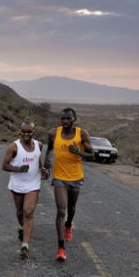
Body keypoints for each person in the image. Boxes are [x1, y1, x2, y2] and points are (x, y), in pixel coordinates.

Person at [43, 108, 94, 261]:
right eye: (62, 118)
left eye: (68, 118)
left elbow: (92, 156)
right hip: (59, 177)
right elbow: (50, 148)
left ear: (74, 119)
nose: (65, 121)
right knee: (61, 210)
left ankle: (69, 224)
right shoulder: (53, 133)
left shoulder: (81, 134)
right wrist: (46, 162)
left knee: (71, 208)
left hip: (76, 177)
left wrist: (78, 152)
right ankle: (60, 248)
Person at [2, 120, 47, 259]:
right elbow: (4, 165)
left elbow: (38, 160)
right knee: (20, 212)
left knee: (28, 212)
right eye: (24, 131)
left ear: (34, 132)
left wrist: (42, 169)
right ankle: (22, 228)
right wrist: (19, 169)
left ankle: (25, 246)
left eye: (30, 131)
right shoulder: (13, 147)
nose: (27, 134)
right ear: (20, 131)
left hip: (33, 184)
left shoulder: (39, 145)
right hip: (17, 185)